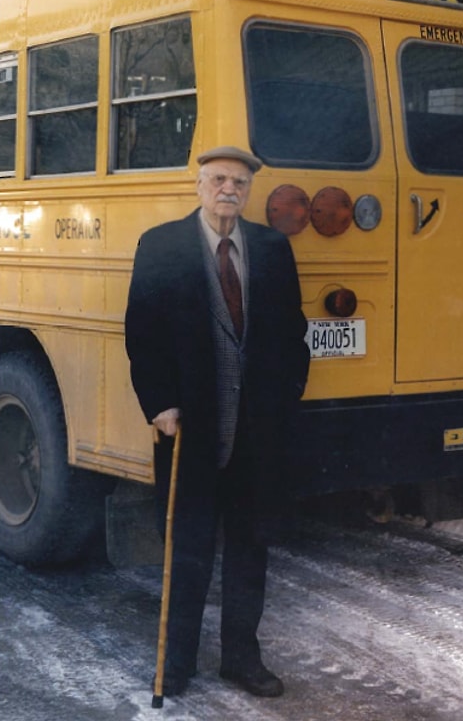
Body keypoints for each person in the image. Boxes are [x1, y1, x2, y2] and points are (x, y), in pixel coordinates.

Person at [125, 145, 310, 700]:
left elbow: (292, 335)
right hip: (191, 428)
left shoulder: (274, 249)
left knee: (251, 546)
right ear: (199, 185)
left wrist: (284, 399)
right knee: (188, 548)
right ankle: (176, 663)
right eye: (219, 179)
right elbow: (142, 333)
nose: (229, 189)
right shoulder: (162, 246)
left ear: (249, 191)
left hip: (257, 429)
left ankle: (241, 659)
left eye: (239, 182)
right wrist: (158, 404)